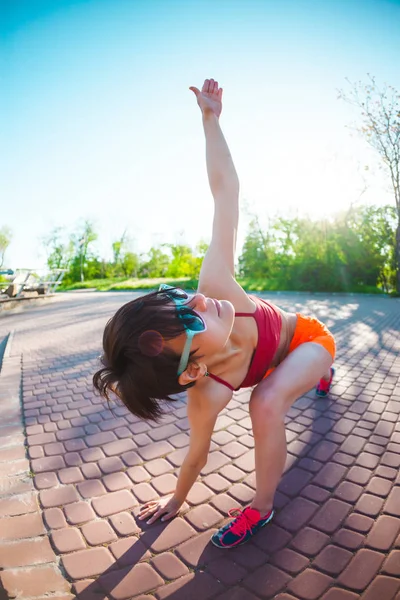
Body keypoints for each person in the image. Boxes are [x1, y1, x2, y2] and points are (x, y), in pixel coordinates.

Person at [93, 78, 336, 548]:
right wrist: (176, 500)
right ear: (191, 372)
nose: (198, 301)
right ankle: (262, 510)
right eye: (189, 321)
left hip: (308, 341)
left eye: (178, 297)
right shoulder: (204, 396)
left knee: (268, 396)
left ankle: (321, 373)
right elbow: (195, 456)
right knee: (265, 401)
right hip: (274, 371)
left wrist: (210, 120)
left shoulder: (216, 285)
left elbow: (227, 191)